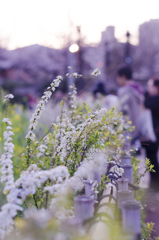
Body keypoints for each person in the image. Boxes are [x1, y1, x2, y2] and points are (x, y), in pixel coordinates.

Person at [116, 65, 144, 142]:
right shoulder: (138, 89)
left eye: (117, 78)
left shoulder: (124, 91)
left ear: (123, 77)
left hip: (128, 130)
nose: (117, 81)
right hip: (138, 130)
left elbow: (121, 112)